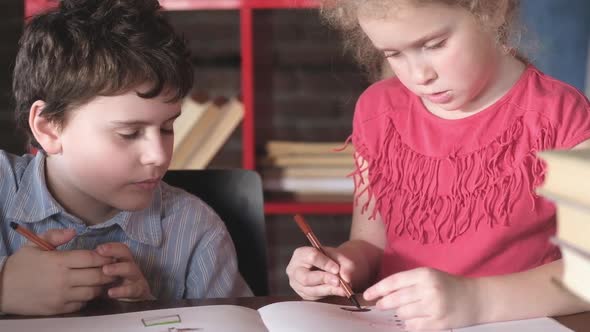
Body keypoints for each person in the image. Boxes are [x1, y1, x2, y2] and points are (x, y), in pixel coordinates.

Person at [286, 0, 590, 330]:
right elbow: (370, 244)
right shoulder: (377, 110)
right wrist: (343, 264)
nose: (420, 75)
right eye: (393, 54)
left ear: (493, 10)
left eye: (435, 45)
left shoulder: (561, 115)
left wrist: (475, 300)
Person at [0, 0, 251, 316]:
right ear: (48, 128)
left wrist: (151, 315)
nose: (158, 156)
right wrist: (4, 286)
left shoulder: (197, 231)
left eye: (168, 128)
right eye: (129, 133)